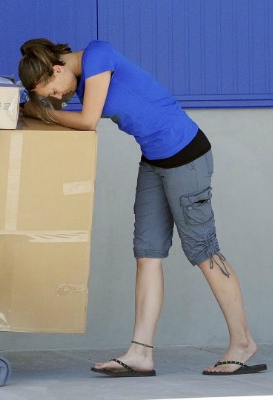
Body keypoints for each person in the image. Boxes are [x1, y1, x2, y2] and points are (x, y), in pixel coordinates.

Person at [17, 38, 267, 377]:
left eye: (54, 89)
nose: (58, 98)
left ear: (58, 68)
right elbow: (61, 115)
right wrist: (30, 105)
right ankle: (141, 352)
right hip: (154, 159)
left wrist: (41, 111)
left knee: (204, 251)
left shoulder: (98, 55)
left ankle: (243, 343)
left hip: (186, 156)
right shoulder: (77, 80)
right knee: (147, 253)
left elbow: (88, 121)